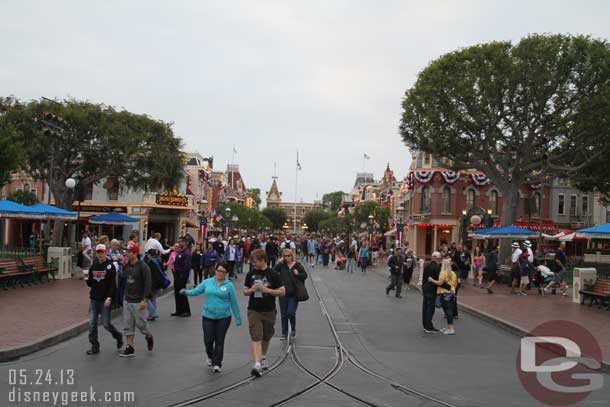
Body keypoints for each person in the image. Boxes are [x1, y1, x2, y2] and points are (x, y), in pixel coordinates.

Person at [181, 261, 241, 372]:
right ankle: (210, 356)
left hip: (224, 317)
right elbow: (196, 291)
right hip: (208, 316)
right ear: (215, 270)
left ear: (226, 273)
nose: (220, 273)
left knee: (219, 341)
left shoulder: (229, 285)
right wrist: (186, 292)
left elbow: (233, 302)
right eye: (218, 270)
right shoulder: (207, 282)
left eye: (223, 272)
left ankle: (217, 363)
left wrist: (238, 318)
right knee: (208, 341)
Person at [243, 249, 285, 377]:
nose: (253, 264)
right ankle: (256, 363)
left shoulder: (273, 274)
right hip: (254, 309)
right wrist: (252, 289)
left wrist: (266, 290)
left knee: (266, 336)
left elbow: (282, 292)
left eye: (255, 262)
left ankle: (262, 356)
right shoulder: (250, 274)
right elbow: (245, 291)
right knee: (256, 336)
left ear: (262, 260)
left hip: (269, 310)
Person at [86, 244, 123, 355]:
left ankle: (118, 336)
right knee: (92, 323)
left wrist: (109, 297)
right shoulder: (94, 266)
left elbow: (112, 284)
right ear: (96, 253)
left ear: (106, 252)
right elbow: (91, 283)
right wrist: (86, 278)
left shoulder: (110, 266)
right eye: (98, 252)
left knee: (106, 324)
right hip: (94, 299)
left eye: (102, 252)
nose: (100, 254)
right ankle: (94, 345)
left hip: (104, 299)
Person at [120, 242, 154, 357]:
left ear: (135, 253)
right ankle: (130, 346)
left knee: (141, 324)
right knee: (127, 324)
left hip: (138, 301)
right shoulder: (127, 265)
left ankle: (148, 335)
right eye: (127, 252)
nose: (127, 254)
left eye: (129, 252)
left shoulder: (143, 266)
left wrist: (144, 299)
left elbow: (148, 283)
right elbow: (124, 278)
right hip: (127, 299)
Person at [275, 248, 307, 340]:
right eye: (284, 256)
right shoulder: (282, 265)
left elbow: (305, 276)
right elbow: (273, 272)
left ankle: (293, 329)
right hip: (283, 293)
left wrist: (297, 274)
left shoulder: (297, 265)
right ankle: (284, 333)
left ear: (292, 256)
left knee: (291, 312)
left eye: (288, 256)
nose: (287, 258)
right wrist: (279, 263)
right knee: (284, 314)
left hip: (294, 294)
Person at [429, 258, 458, 335]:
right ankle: (450, 328)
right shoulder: (453, 273)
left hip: (443, 293)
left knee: (447, 311)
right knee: (449, 311)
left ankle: (451, 329)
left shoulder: (443, 273)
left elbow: (440, 283)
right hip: (452, 293)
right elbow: (455, 284)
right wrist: (452, 289)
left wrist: (432, 280)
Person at [422, 251, 442, 334]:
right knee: (430, 309)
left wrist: (423, 287)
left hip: (426, 288)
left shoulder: (427, 266)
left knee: (425, 307)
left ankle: (425, 325)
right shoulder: (437, 267)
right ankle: (429, 326)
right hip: (432, 289)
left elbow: (424, 278)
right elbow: (439, 280)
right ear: (437, 258)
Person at [172, 237, 192, 317]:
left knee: (182, 293)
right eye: (178, 241)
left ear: (185, 242)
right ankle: (179, 310)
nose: (179, 243)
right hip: (177, 275)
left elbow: (187, 266)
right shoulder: (180, 252)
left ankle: (186, 311)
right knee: (177, 293)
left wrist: (182, 275)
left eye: (181, 242)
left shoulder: (186, 253)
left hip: (182, 275)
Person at [145, 249, 167, 321]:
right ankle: (151, 314)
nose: (147, 256)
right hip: (159, 282)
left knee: (147, 298)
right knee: (153, 298)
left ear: (150, 255)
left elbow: (149, 274)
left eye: (148, 254)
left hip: (153, 283)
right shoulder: (158, 260)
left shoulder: (150, 262)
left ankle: (153, 313)